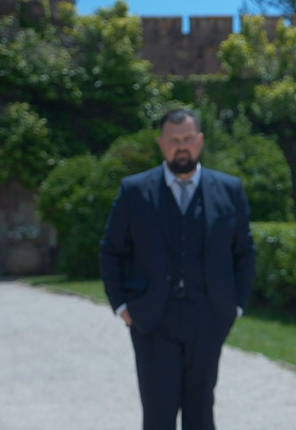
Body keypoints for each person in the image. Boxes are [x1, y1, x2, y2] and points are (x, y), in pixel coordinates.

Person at [99, 108, 256, 430]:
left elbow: (244, 252)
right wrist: (122, 307)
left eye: (187, 139)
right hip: (152, 319)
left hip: (209, 317)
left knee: (201, 413)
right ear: (161, 144)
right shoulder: (134, 191)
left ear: (199, 141)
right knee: (158, 414)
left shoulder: (229, 189)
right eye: (173, 140)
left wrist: (234, 306)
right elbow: (110, 251)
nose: (180, 147)